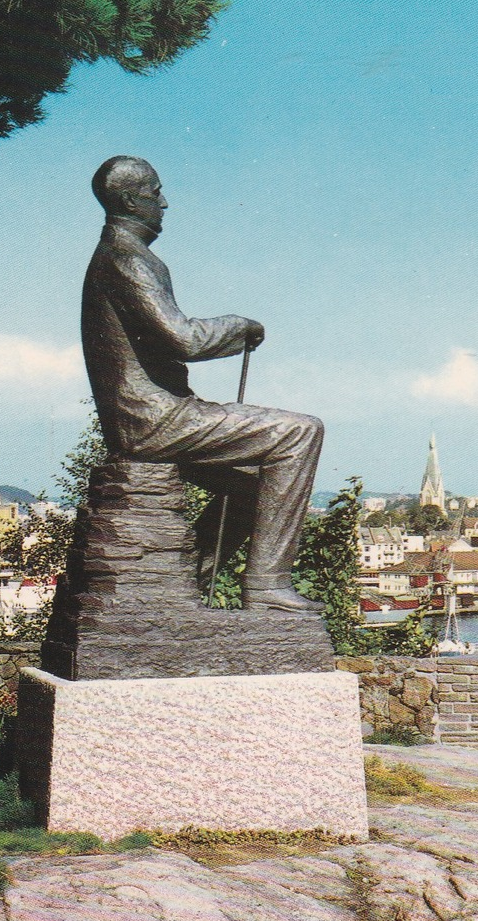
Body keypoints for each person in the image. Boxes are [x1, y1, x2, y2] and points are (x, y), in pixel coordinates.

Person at [80, 155, 324, 612]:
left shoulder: (121, 257)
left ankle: (192, 581)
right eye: (155, 193)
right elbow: (182, 338)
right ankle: (268, 586)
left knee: (254, 489)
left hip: (150, 415)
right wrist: (240, 326)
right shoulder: (127, 259)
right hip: (153, 419)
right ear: (132, 200)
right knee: (300, 432)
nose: (165, 203)